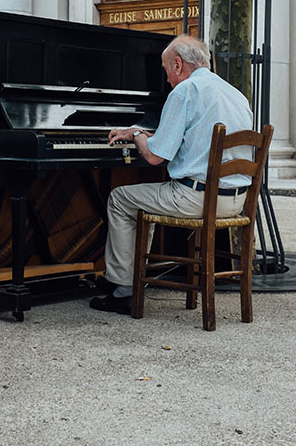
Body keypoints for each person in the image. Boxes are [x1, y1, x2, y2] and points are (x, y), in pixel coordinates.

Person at [91, 34, 254, 315]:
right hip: (235, 202)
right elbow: (191, 140)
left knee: (120, 199)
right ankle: (128, 280)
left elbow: (154, 157)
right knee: (145, 200)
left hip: (196, 199)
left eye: (166, 70)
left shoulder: (185, 91)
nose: (167, 79)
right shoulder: (235, 94)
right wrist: (147, 135)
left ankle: (122, 288)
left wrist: (137, 133)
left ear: (178, 65)